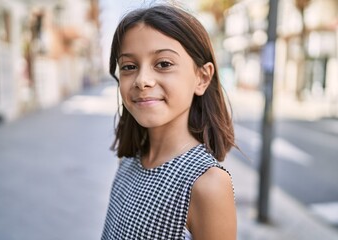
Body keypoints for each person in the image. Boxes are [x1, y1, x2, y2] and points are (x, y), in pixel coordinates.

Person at [101, 3, 237, 240]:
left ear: (202, 78)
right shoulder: (128, 162)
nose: (142, 80)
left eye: (163, 64)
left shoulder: (207, 183)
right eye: (129, 67)